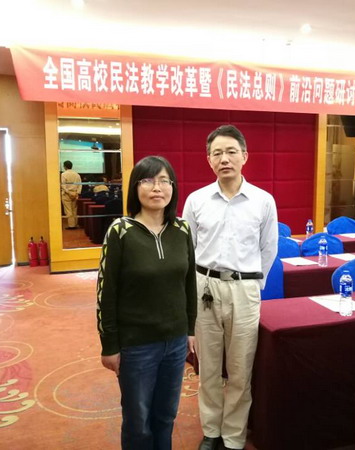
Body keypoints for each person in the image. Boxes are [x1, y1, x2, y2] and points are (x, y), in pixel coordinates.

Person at [183, 125, 278, 450]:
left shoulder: (263, 201)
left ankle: (233, 437)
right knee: (208, 366)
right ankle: (211, 431)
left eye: (231, 152)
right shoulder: (196, 200)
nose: (224, 159)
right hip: (204, 287)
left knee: (240, 368)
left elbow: (269, 248)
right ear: (209, 159)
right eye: (217, 153)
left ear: (244, 156)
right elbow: (187, 249)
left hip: (244, 290)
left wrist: (252, 284)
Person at [97, 155, 197, 450]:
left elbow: (189, 284)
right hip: (136, 344)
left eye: (165, 181)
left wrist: (190, 329)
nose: (157, 188)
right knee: (138, 421)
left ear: (173, 187)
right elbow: (106, 292)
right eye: (148, 180)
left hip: (175, 342)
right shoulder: (121, 231)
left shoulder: (182, 229)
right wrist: (109, 344)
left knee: (166, 415)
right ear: (135, 188)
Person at [60, 160, 82, 229]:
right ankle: (75, 224)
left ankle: (71, 225)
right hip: (75, 193)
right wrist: (77, 193)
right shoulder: (77, 174)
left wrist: (69, 193)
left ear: (65, 166)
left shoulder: (63, 174)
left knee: (68, 210)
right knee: (74, 209)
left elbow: (63, 185)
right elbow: (80, 185)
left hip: (67, 194)